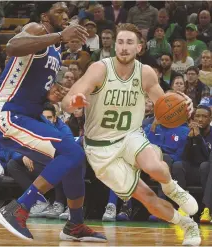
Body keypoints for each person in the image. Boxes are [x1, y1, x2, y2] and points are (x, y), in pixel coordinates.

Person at [62, 23, 201, 246]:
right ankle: (187, 224)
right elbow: (69, 98)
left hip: (129, 135)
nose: (124, 47)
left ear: (139, 47)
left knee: (155, 167)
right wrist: (74, 101)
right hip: (100, 148)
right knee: (148, 199)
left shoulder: (144, 72)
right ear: (114, 45)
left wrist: (184, 106)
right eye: (120, 42)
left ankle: (172, 187)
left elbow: (164, 105)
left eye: (129, 43)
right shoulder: (100, 68)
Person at [0, 1, 106, 242]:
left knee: (75, 158)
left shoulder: (53, 49)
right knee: (72, 153)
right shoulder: (36, 29)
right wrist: (60, 35)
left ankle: (75, 224)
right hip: (7, 114)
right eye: (59, 11)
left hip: (27, 116)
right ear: (46, 16)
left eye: (67, 11)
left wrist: (50, 94)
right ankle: (18, 209)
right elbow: (12, 47)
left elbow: (29, 81)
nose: (65, 15)